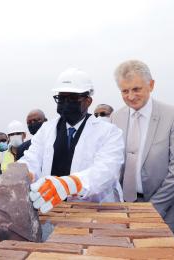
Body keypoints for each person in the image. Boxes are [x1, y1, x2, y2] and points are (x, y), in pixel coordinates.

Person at [19, 68, 124, 214]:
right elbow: (32, 157)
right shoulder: (46, 130)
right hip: (50, 209)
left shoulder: (109, 132)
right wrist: (24, 172)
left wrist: (71, 184)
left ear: (88, 101)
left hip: (93, 212)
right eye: (61, 98)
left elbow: (106, 171)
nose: (66, 103)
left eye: (72, 98)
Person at [110, 60, 174, 241]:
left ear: (151, 85)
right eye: (125, 91)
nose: (131, 96)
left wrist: (153, 208)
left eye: (136, 89)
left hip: (165, 212)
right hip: (125, 210)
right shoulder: (116, 117)